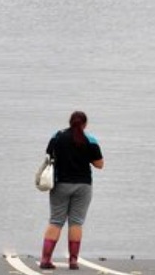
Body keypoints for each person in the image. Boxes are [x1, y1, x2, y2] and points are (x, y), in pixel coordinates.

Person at [39, 111, 104, 270]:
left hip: (60, 184)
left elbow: (48, 156)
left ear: (70, 122)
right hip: (83, 186)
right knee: (76, 223)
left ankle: (46, 260)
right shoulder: (90, 140)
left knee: (55, 221)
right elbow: (99, 164)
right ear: (85, 124)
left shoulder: (57, 136)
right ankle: (73, 261)